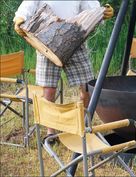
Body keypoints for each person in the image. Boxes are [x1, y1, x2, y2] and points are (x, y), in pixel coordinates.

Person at [14, 1, 114, 142]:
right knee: (48, 91)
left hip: (75, 40)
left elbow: (90, 8)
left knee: (87, 88)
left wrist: (101, 13)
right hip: (45, 42)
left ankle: (83, 124)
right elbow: (28, 4)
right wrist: (20, 17)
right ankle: (51, 133)